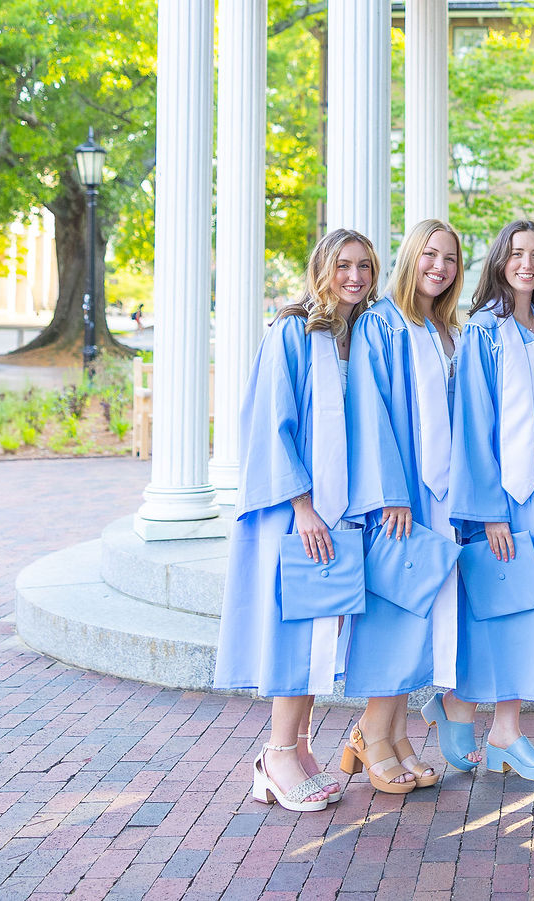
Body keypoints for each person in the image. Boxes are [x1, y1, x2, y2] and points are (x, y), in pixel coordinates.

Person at [214, 229, 412, 811]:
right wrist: (301, 506)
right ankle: (277, 754)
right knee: (294, 632)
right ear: (321, 269)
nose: (355, 276)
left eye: (365, 267)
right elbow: (273, 423)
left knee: (316, 632)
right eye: (343, 265)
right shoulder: (292, 330)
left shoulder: (358, 334)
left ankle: (296, 752)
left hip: (341, 511)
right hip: (300, 510)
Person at [432, 220, 534, 781]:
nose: (528, 263)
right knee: (501, 613)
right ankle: (475, 715)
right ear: (500, 260)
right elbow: (473, 424)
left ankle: (502, 730)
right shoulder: (484, 332)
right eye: (517, 253)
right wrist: (489, 511)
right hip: (506, 499)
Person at [343, 219, 469, 792]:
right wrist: (390, 492)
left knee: (421, 615)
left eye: (449, 259)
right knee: (395, 614)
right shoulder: (381, 324)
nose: (438, 267)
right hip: (401, 496)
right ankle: (372, 733)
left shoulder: (446, 330)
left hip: (441, 497)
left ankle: (393, 735)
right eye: (429, 255)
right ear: (410, 258)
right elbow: (369, 410)